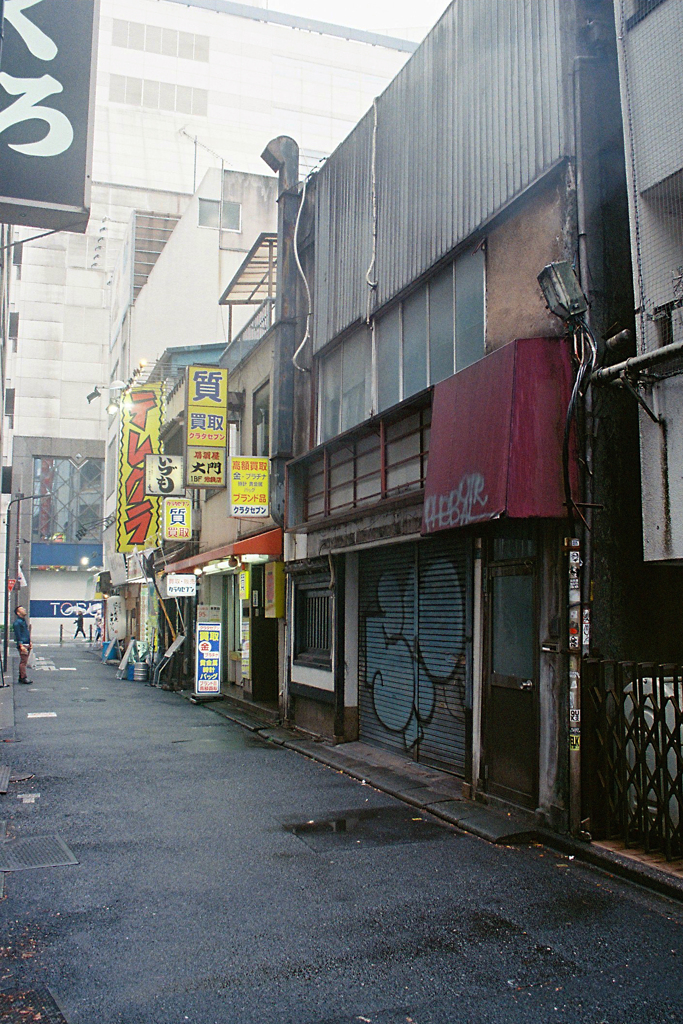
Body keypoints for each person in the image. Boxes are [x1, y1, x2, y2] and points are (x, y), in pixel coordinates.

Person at [12, 605, 32, 685]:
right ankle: (23, 677)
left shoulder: (23, 621)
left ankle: (22, 676)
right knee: (23, 661)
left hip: (26, 642)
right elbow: (18, 635)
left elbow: (26, 633)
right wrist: (21, 645)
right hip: (23, 643)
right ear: (18, 612)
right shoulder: (17, 623)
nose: (24, 610)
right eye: (22, 609)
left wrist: (30, 642)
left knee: (24, 660)